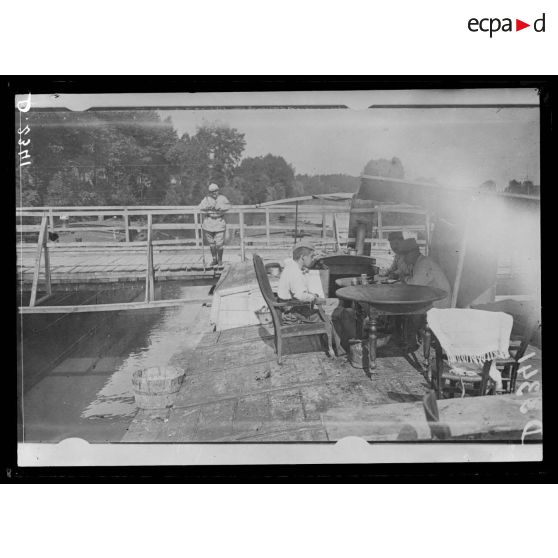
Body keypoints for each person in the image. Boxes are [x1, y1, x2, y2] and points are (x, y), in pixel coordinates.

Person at [278, 245, 345, 356]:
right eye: (311, 256)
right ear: (302, 257)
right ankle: (340, 346)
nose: (312, 258)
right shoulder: (295, 272)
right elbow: (300, 295)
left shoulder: (292, 267)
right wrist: (313, 297)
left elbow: (299, 292)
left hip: (297, 305)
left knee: (337, 302)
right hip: (298, 310)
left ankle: (333, 339)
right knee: (340, 311)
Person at [398, 238, 452, 349]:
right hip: (433, 298)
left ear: (414, 252)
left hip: (440, 303)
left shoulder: (423, 264)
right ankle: (411, 339)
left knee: (408, 309)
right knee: (408, 306)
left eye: (405, 255)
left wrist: (405, 279)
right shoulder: (419, 262)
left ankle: (412, 342)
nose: (403, 259)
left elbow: (414, 285)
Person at [198, 183, 231, 266]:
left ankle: (220, 260)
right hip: (208, 223)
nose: (214, 193)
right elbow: (200, 207)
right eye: (212, 192)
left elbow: (229, 207)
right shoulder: (206, 199)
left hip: (219, 222)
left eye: (215, 191)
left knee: (219, 244)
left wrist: (221, 207)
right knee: (212, 243)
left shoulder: (222, 198)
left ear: (218, 191)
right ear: (209, 192)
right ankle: (214, 259)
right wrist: (207, 207)